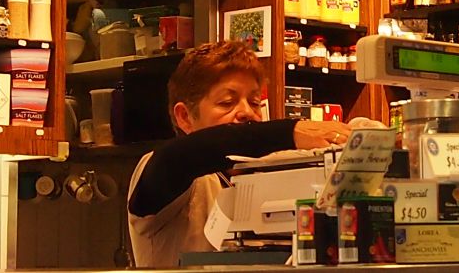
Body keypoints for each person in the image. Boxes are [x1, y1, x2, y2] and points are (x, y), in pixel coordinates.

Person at [127, 41, 351, 267]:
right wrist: (290, 131)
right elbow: (182, 156)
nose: (246, 112)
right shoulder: (169, 170)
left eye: (254, 102)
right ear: (184, 117)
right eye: (227, 102)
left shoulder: (262, 177)